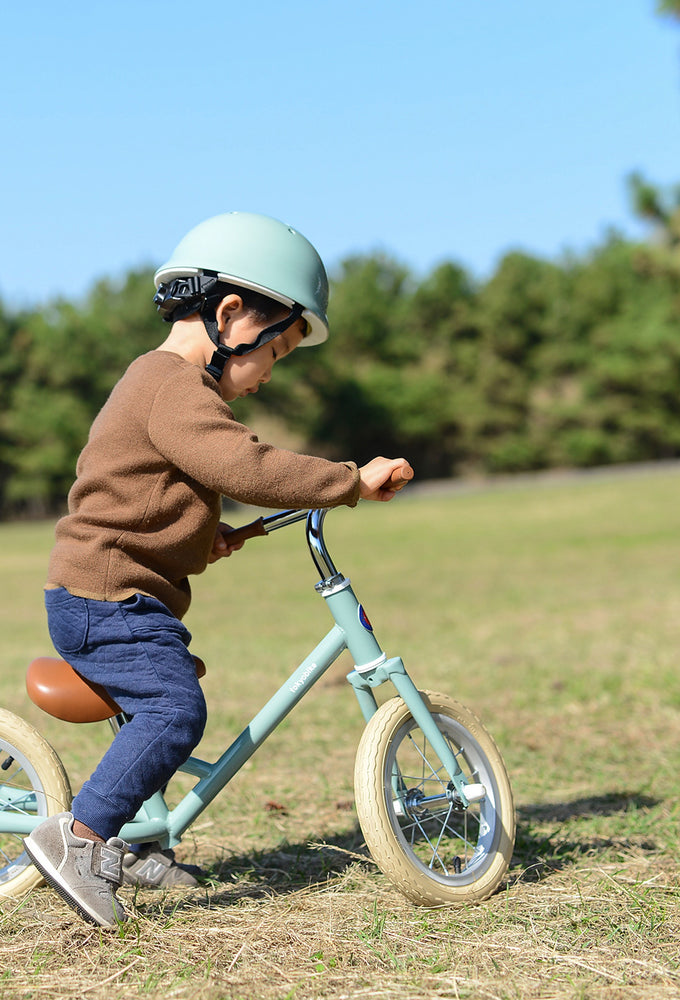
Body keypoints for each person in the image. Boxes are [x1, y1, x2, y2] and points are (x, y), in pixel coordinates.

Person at [24, 212, 412, 927]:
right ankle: (77, 839)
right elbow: (242, 464)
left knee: (165, 702)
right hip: (105, 597)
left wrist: (204, 541)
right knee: (175, 710)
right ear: (230, 314)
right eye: (277, 353)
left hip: (119, 591)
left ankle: (133, 838)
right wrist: (350, 480)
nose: (266, 378)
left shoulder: (170, 389)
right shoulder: (170, 385)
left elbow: (148, 494)